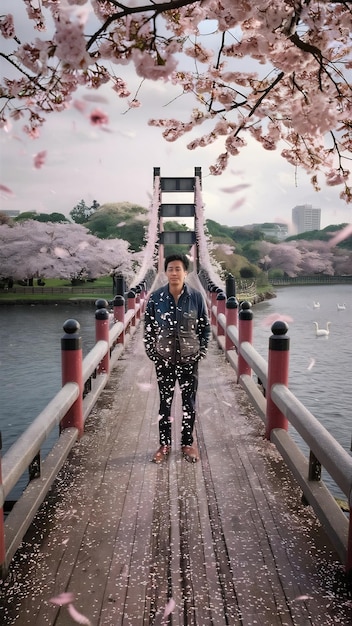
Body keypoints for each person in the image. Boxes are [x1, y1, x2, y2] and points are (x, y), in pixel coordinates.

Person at [144, 253, 211, 464]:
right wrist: (153, 354)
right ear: (165, 272)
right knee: (165, 403)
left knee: (188, 404)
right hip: (164, 359)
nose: (174, 273)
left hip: (190, 359)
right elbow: (148, 330)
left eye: (178, 269)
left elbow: (204, 328)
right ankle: (164, 445)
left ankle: (187, 444)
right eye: (170, 269)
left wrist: (201, 352)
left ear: (186, 272)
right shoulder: (155, 298)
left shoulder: (196, 297)